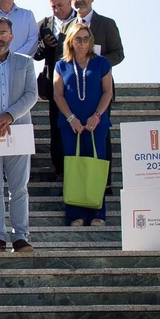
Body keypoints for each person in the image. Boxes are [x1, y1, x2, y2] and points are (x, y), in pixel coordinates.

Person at [0, 17, 39, 254]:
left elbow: (32, 94)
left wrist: (9, 116)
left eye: (3, 33)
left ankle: (21, 237)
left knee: (19, 187)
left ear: (11, 36)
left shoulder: (26, 62)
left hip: (18, 129)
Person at [53, 23, 115, 226]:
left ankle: (97, 213)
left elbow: (108, 92)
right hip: (70, 124)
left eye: (86, 38)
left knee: (96, 165)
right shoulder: (61, 65)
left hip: (96, 123)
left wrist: (96, 116)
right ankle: (75, 214)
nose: (82, 42)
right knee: (74, 167)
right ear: (70, 40)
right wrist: (71, 118)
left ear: (91, 41)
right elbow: (58, 94)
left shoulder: (102, 63)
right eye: (78, 38)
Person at [68, 0, 125, 67]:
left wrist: (97, 63)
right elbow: (61, 55)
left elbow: (118, 54)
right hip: (73, 78)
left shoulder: (107, 24)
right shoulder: (66, 27)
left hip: (100, 78)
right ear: (70, 1)